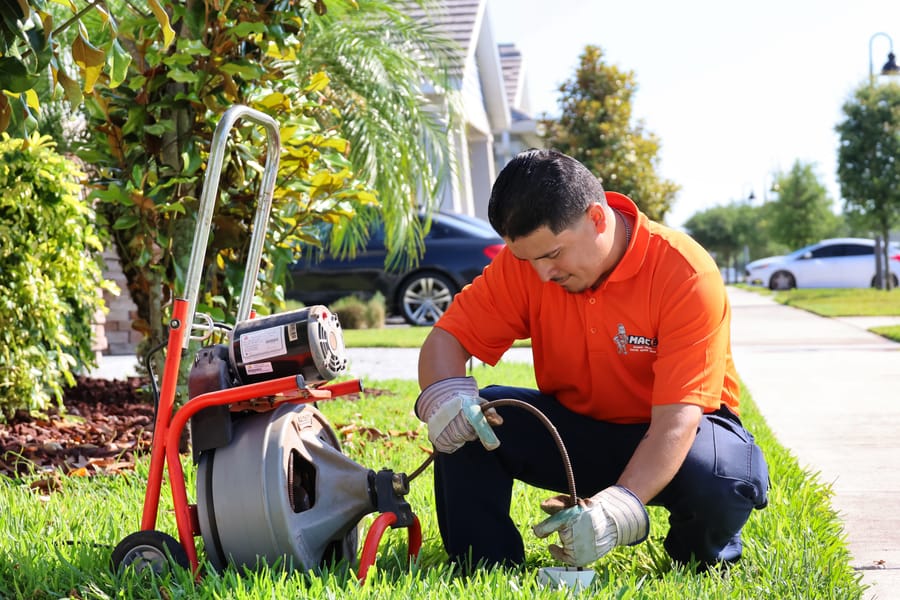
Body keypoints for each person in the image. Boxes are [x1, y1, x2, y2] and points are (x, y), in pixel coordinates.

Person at [415, 148, 769, 572]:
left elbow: (677, 420)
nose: (542, 274)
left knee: (723, 475)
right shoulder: (526, 267)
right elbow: (447, 338)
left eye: (553, 254)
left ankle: (699, 562)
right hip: (576, 431)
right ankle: (483, 566)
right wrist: (445, 395)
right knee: (476, 419)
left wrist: (617, 509)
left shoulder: (685, 273)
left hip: (677, 435)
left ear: (597, 219)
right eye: (529, 259)